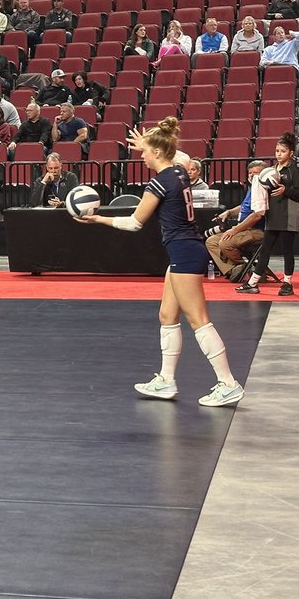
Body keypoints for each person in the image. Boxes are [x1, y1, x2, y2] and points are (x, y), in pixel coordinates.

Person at [76, 117, 246, 407]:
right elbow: (175, 153)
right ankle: (166, 381)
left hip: (184, 252)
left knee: (198, 320)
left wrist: (97, 219)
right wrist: (150, 142)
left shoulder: (159, 182)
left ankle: (228, 383)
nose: (141, 155)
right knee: (167, 316)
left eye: (144, 152)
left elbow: (134, 223)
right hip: (184, 251)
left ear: (156, 153)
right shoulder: (179, 171)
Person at [237, 132, 299, 296]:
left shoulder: (295, 171)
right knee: (266, 248)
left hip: (289, 214)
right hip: (273, 214)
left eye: (282, 151)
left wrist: (285, 189)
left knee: (287, 250)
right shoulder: (271, 170)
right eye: (277, 151)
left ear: (291, 153)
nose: (279, 154)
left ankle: (287, 283)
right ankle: (252, 283)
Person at [207, 160, 267, 281]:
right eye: (250, 173)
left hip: (256, 230)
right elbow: (243, 207)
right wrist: (228, 212)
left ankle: (245, 268)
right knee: (211, 241)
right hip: (243, 228)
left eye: (255, 173)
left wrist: (234, 230)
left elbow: (257, 215)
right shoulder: (252, 188)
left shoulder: (264, 189)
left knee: (225, 243)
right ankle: (234, 269)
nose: (251, 175)